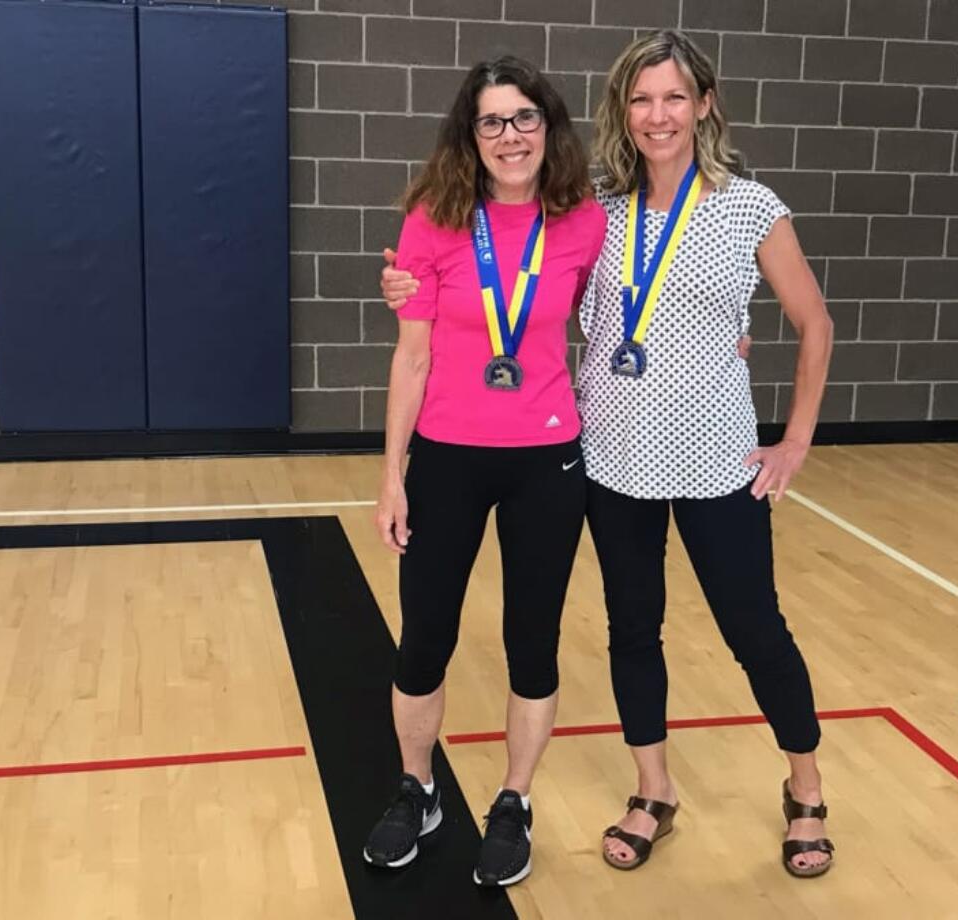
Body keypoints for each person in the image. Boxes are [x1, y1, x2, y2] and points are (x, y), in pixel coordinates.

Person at [381, 30, 834, 879]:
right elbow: (519, 276)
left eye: (673, 97)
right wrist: (407, 281)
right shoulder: (594, 204)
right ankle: (652, 789)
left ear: (704, 104)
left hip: (715, 461)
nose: (657, 115)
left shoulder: (748, 206)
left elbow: (816, 323)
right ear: (621, 112)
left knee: (754, 629)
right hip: (614, 457)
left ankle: (805, 790)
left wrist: (796, 439)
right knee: (633, 630)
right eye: (641, 99)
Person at [363, 55, 605, 888]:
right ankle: (417, 787)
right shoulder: (436, 216)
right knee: (425, 637)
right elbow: (412, 356)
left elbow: (635, 303)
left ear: (550, 125)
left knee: (531, 643)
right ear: (471, 135)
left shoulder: (582, 221)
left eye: (525, 117)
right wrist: (393, 475)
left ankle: (514, 800)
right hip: (448, 459)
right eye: (492, 121)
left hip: (547, 459)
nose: (511, 136)